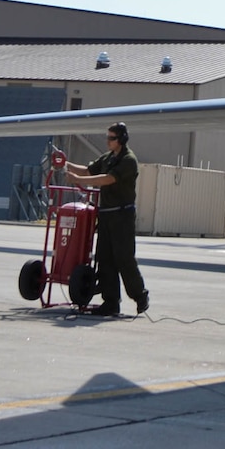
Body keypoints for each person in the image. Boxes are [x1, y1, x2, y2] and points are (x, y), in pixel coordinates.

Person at [67, 121, 148, 317]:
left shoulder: (128, 160)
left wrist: (78, 180)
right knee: (104, 259)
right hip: (106, 214)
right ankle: (110, 302)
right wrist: (65, 164)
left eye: (111, 138)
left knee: (124, 258)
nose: (107, 141)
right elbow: (88, 171)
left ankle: (140, 295)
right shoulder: (108, 157)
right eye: (107, 137)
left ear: (121, 140)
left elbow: (106, 179)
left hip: (122, 215)